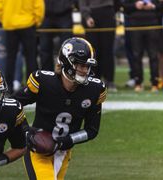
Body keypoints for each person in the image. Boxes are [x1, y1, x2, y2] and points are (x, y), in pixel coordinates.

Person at [13, 37, 107, 180]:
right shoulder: (44, 82)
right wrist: (26, 130)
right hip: (38, 149)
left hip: (63, 152)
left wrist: (68, 140)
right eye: (80, 65)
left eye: (87, 66)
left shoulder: (94, 89)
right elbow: (12, 104)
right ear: (66, 63)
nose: (85, 70)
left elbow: (92, 130)